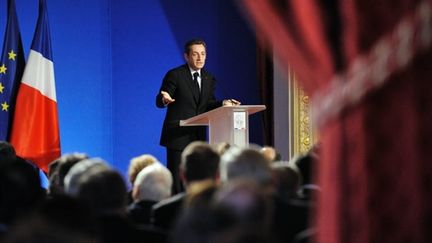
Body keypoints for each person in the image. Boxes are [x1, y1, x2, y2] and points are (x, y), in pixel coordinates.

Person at [156, 38, 240, 193]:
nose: (200, 58)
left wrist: (223, 103)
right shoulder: (175, 75)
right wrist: (164, 99)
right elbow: (161, 99)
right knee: (177, 181)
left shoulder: (209, 78)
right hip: (178, 136)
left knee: (196, 180)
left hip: (197, 136)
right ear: (186, 56)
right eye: (195, 54)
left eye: (203, 54)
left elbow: (207, 104)